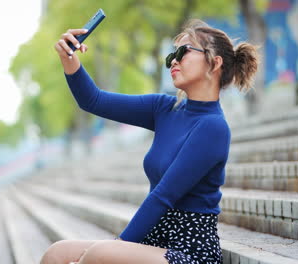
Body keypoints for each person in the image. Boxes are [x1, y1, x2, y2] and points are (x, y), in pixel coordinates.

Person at [41, 19, 259, 264]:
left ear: (215, 63)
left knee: (98, 255)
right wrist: (68, 57)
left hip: (189, 251)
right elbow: (93, 100)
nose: (174, 61)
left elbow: (163, 195)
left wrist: (118, 248)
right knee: (57, 253)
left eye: (183, 52)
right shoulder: (164, 108)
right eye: (171, 56)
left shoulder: (213, 127)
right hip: (154, 242)